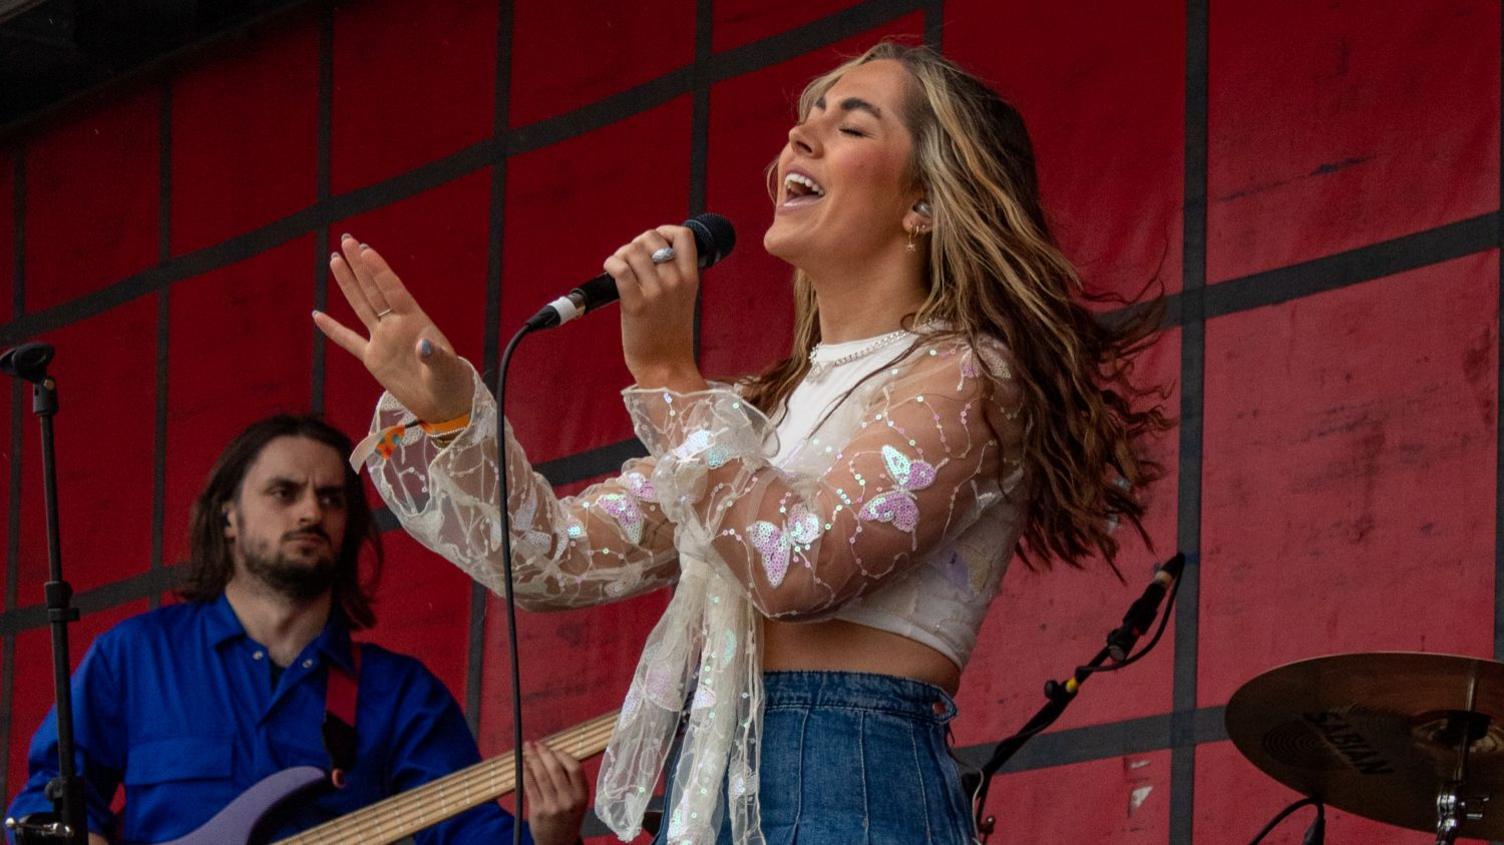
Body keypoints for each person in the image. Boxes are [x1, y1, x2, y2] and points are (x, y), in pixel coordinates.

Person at [314, 40, 1170, 845]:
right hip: (718, 768)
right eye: (809, 115)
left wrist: (665, 369)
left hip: (851, 774)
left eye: (850, 124)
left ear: (926, 203)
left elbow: (802, 564)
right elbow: (556, 560)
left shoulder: (970, 374)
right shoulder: (757, 411)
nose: (800, 132)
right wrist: (454, 413)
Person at [6, 415, 589, 845]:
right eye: (284, 493)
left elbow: (472, 836)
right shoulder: (135, 658)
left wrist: (550, 837)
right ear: (228, 516)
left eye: (331, 499)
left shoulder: (400, 694)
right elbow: (44, 806)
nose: (311, 513)